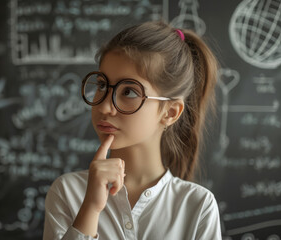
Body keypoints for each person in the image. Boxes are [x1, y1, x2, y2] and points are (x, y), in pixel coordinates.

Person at [44, 21, 222, 239]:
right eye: (101, 85)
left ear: (170, 112)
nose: (104, 106)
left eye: (128, 92)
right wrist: (90, 208)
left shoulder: (197, 206)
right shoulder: (68, 192)